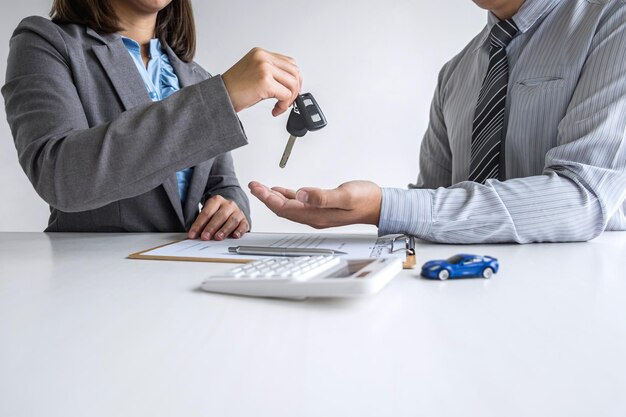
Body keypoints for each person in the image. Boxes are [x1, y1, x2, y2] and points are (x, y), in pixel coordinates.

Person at [250, 0, 626, 244]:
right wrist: (359, 211)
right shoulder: (455, 73)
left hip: (578, 307)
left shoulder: (613, 20)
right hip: (459, 300)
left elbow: (585, 198)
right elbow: (434, 204)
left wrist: (384, 207)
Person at [2, 0, 302, 241]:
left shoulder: (194, 75)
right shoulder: (45, 42)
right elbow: (60, 176)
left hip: (184, 278)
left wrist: (232, 209)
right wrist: (221, 97)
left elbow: (223, 184)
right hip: (91, 283)